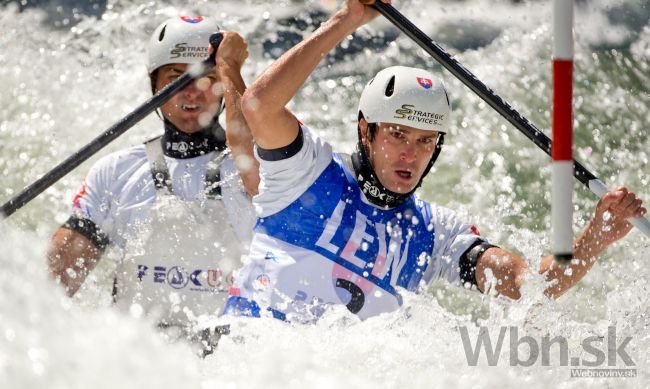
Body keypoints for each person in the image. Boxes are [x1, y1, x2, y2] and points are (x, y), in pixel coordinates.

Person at [223, 0, 646, 321]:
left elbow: (528, 285)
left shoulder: (437, 234)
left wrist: (595, 237)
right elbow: (259, 104)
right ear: (365, 132)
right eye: (397, 135)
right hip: (253, 357)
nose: (411, 152)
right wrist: (348, 19)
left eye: (426, 141)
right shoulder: (306, 171)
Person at [47, 16, 259, 344]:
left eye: (207, 78)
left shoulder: (257, 169)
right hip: (139, 361)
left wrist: (232, 68)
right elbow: (53, 284)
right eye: (177, 78)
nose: (193, 92)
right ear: (154, 84)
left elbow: (261, 141)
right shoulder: (114, 173)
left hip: (230, 364)